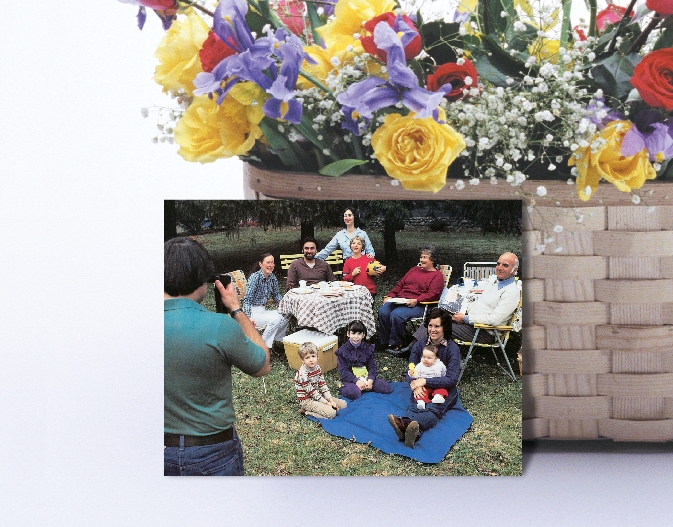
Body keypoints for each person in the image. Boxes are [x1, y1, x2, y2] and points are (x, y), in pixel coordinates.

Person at [164, 237, 270, 476]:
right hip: (212, 452)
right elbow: (262, 364)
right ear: (204, 281)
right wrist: (236, 309)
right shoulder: (221, 326)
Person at [388, 308, 460, 448]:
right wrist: (414, 383)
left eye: (437, 326)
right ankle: (413, 431)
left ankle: (405, 426)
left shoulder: (452, 349)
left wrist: (425, 381)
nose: (433, 329)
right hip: (421, 385)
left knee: (433, 408)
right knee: (415, 406)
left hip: (444, 388)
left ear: (444, 327)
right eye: (430, 325)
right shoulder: (420, 344)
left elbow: (452, 379)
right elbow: (411, 369)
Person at [378, 246, 444, 355]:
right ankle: (385, 342)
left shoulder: (437, 276)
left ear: (432, 260)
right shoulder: (414, 269)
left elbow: (433, 294)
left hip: (421, 304)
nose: (421, 259)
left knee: (397, 314)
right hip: (401, 300)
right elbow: (400, 284)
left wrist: (417, 300)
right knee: (383, 311)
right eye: (421, 257)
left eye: (425, 257)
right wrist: (391, 295)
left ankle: (397, 344)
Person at [451, 252, 520, 344]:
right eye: (498, 264)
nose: (499, 268)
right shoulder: (494, 282)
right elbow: (481, 304)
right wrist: (462, 310)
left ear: (514, 270)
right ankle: (434, 353)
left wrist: (466, 318)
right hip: (471, 324)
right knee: (437, 314)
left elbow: (495, 320)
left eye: (505, 265)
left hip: (484, 332)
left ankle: (436, 354)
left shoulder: (511, 292)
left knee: (439, 327)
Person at [336, 320, 392, 400]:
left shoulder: (368, 348)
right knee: (355, 394)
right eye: (353, 333)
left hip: (366, 376)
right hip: (351, 379)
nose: (356, 336)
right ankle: (341, 386)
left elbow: (372, 366)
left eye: (359, 333)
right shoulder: (342, 351)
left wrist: (370, 380)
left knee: (385, 388)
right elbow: (343, 371)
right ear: (348, 334)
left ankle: (366, 386)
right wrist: (357, 381)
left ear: (363, 335)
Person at [242, 253, 290, 348]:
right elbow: (247, 300)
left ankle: (277, 341)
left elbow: (276, 295)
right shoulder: (255, 278)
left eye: (272, 262)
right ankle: (262, 346)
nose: (271, 265)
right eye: (268, 262)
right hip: (252, 313)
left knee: (286, 315)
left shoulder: (272, 278)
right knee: (275, 319)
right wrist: (248, 317)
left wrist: (283, 306)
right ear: (261, 264)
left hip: (262, 311)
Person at [295, 342, 348, 419]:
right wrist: (327, 403)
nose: (311, 360)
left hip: (318, 396)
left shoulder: (317, 368)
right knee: (331, 414)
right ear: (302, 360)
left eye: (313, 356)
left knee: (343, 405)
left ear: (318, 357)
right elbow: (312, 392)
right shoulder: (302, 375)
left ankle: (324, 406)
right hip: (307, 400)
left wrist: (330, 400)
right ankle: (306, 411)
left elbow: (323, 385)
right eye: (307, 358)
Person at [408, 344, 449, 410]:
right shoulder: (420, 365)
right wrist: (412, 373)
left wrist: (442, 380)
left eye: (429, 358)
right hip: (424, 386)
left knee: (442, 390)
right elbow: (416, 375)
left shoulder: (440, 365)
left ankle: (438, 397)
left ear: (436, 358)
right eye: (424, 357)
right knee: (420, 393)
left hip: (437, 384)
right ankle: (421, 402)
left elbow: (444, 373)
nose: (426, 360)